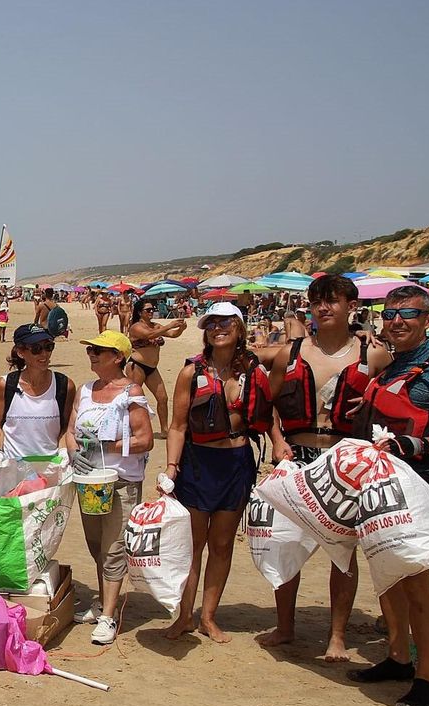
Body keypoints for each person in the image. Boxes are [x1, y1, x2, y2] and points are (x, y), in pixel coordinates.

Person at [346, 285, 429, 706]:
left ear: (427, 319)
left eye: (408, 313)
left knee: (418, 581)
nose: (397, 321)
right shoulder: (390, 367)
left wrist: (416, 446)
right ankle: (398, 657)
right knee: (387, 572)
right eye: (390, 313)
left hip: (421, 485)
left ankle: (427, 680)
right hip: (381, 487)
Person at [258, 274, 389, 659]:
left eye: (332, 300)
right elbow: (269, 406)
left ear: (352, 306)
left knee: (344, 551)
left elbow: (395, 399)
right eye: (317, 301)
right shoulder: (291, 352)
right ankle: (285, 626)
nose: (323, 307)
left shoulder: (373, 355)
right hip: (298, 456)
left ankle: (337, 636)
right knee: (286, 545)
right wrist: (279, 443)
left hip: (345, 458)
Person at [160, 302, 275, 643]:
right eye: (212, 323)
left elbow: (269, 415)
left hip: (236, 463)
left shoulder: (254, 371)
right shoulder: (190, 373)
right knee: (192, 545)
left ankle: (208, 617)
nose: (218, 328)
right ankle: (184, 616)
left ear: (240, 328)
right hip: (198, 464)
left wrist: (280, 444)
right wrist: (171, 469)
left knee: (222, 545)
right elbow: (178, 426)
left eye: (226, 322)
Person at [69, 331, 153, 645]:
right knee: (96, 546)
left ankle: (108, 616)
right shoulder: (86, 389)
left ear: (118, 357)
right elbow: (70, 429)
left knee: (114, 548)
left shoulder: (131, 392)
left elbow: (145, 439)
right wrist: (74, 452)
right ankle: (103, 602)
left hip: (120, 483)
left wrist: (107, 445)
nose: (91, 354)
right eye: (90, 349)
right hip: (89, 481)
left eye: (98, 350)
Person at [0, 323, 77, 460]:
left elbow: (67, 426)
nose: (44, 354)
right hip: (13, 468)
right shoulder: (5, 385)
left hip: (51, 468)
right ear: (20, 352)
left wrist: (63, 451)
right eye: (36, 349)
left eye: (49, 347)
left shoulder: (64, 386)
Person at [127, 300, 188, 430]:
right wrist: (170, 325)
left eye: (152, 309)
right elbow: (149, 335)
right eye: (147, 310)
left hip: (152, 368)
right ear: (139, 313)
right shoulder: (135, 327)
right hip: (137, 366)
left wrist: (180, 329)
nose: (151, 312)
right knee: (133, 399)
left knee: (163, 398)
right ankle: (130, 428)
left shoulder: (156, 325)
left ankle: (164, 429)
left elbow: (173, 334)